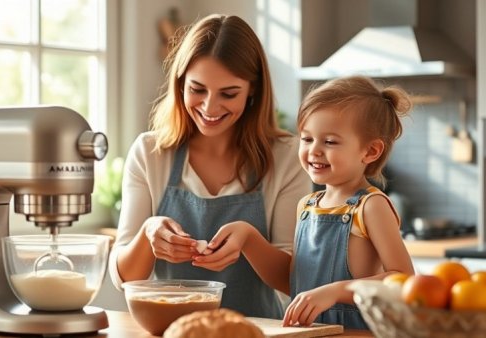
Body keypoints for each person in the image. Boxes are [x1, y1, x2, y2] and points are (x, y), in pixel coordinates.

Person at [108, 13, 311, 319]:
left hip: (254, 332)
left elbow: (292, 281)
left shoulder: (287, 157)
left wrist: (249, 239)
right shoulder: (149, 153)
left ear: (253, 89)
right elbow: (124, 278)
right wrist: (149, 234)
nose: (209, 107)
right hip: (171, 331)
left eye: (229, 94)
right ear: (180, 84)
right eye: (197, 89)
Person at [283, 76, 416, 329]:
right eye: (307, 138)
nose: (314, 151)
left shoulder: (371, 206)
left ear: (370, 151)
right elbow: (294, 281)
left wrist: (336, 291)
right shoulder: (307, 206)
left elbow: (404, 280)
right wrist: (248, 239)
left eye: (330, 141)